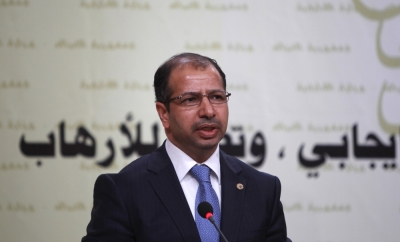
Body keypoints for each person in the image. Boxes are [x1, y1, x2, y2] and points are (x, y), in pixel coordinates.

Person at [82, 53, 287, 241]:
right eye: (190, 99)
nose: (208, 111)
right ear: (164, 113)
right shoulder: (124, 191)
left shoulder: (263, 190)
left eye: (217, 97)